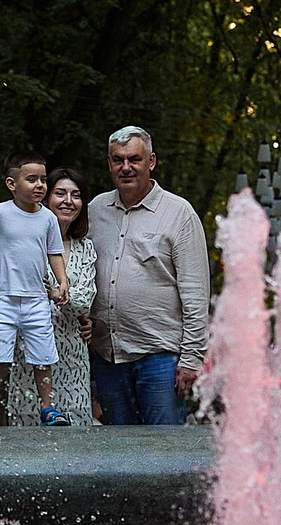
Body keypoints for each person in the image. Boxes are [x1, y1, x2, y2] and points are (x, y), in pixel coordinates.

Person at [85, 125, 210, 425]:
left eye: (134, 159)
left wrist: (192, 359)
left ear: (151, 161)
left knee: (164, 454)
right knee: (118, 455)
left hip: (160, 359)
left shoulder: (179, 213)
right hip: (107, 356)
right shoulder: (94, 210)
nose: (125, 167)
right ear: (109, 163)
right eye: (118, 160)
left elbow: (195, 293)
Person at [0, 152, 74, 426]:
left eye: (43, 180)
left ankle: (48, 408)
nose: (40, 185)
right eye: (32, 179)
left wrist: (62, 282)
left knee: (43, 357)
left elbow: (55, 252)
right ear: (12, 184)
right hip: (4, 299)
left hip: (37, 300)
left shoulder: (47, 218)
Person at [3, 167, 99, 426]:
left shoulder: (85, 248)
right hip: (27, 362)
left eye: (76, 195)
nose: (68, 201)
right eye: (60, 194)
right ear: (45, 199)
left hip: (72, 362)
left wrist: (55, 294)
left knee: (76, 446)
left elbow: (85, 300)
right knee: (27, 448)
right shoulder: (19, 241)